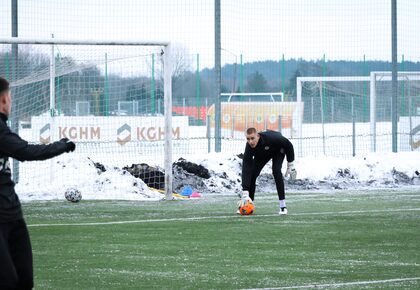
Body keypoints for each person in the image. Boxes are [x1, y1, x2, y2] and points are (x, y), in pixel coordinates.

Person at [0, 76, 76, 289]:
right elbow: (25, 151)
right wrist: (61, 146)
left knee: (24, 280)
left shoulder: (3, 128)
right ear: (4, 100)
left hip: (12, 215)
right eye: (10, 97)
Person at [240, 127, 296, 215]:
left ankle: (283, 206)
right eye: (248, 139)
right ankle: (248, 204)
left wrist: (290, 164)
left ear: (257, 136)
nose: (250, 141)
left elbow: (288, 145)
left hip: (278, 149)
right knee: (252, 174)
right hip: (263, 154)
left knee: (276, 171)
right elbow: (246, 168)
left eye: (252, 138)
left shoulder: (273, 138)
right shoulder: (249, 147)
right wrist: (245, 191)